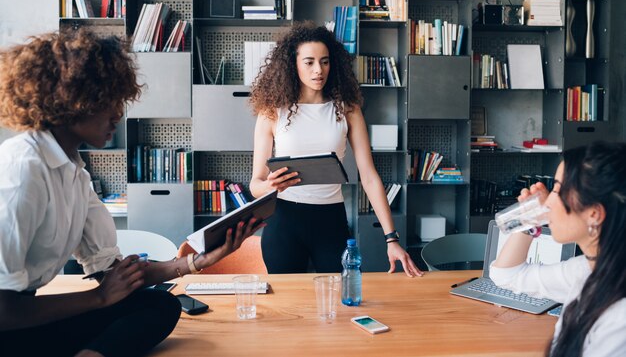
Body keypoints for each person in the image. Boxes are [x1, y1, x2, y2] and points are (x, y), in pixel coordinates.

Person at [0, 29, 261, 357]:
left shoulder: (75, 173)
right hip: (8, 326)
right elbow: (5, 311)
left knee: (159, 305)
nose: (119, 114)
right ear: (71, 98)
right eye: (109, 101)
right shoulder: (22, 168)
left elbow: (116, 277)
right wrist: (99, 299)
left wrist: (198, 261)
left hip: (25, 320)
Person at [249, 22, 422, 277]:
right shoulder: (272, 112)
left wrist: (391, 239)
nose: (319, 70)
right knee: (287, 306)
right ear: (292, 64)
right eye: (309, 62)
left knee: (342, 302)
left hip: (330, 219)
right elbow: (255, 184)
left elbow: (370, 177)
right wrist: (270, 186)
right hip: (284, 220)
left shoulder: (347, 109)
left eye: (325, 61)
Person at [491, 141, 626, 357]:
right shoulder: (586, 270)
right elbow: (506, 275)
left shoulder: (620, 315)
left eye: (557, 190)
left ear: (594, 214)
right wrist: (529, 220)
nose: (547, 202)